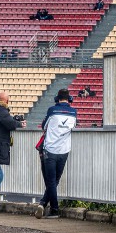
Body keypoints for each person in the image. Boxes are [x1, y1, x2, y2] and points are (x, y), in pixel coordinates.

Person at [36, 88, 77, 219]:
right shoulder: (74, 112)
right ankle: (43, 203)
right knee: (55, 180)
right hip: (64, 150)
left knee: (51, 181)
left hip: (50, 149)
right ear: (69, 99)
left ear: (57, 99)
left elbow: (44, 126)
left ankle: (54, 209)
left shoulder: (52, 110)